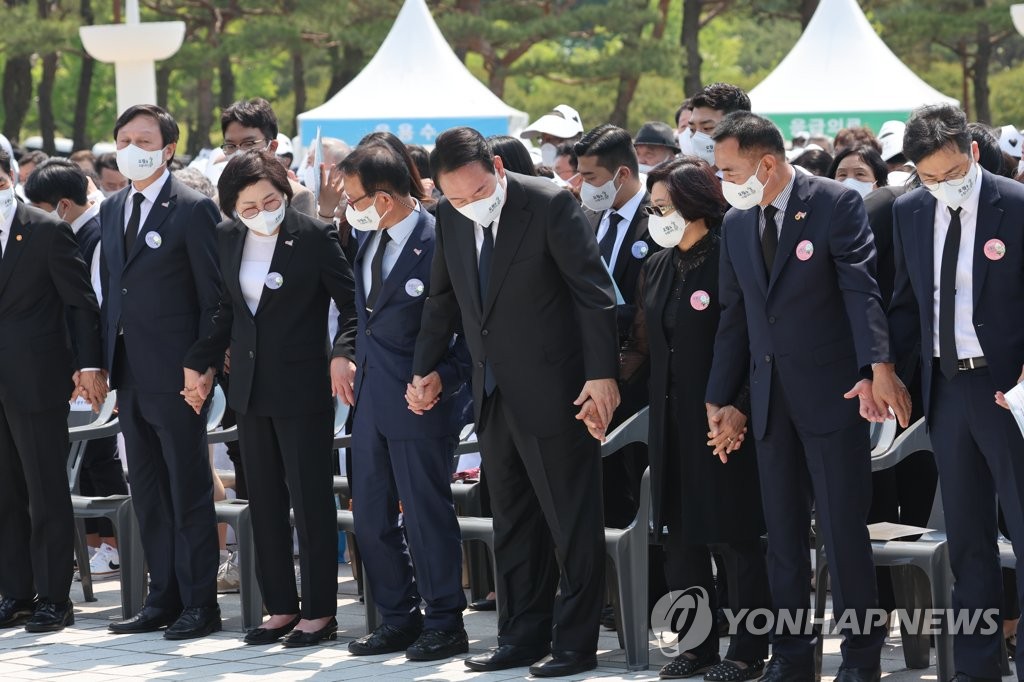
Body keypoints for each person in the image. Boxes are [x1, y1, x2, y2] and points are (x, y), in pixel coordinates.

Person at [705, 111, 910, 682]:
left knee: (844, 536)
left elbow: (860, 290)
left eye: (729, 168)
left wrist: (879, 366)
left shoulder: (834, 203)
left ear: (766, 163)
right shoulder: (739, 222)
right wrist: (721, 398)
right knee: (785, 541)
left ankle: (860, 662)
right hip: (770, 404)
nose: (723, 179)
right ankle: (792, 660)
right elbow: (734, 318)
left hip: (832, 395)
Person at [409, 126, 619, 677]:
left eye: (477, 193)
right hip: (491, 390)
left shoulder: (547, 203)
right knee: (513, 520)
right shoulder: (450, 216)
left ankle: (574, 644)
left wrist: (601, 376)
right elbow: (442, 298)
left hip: (558, 391)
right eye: (454, 197)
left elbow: (593, 295)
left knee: (569, 520)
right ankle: (520, 636)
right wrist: (425, 369)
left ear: (497, 170)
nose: (468, 205)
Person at [183, 149, 356, 647]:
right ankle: (280, 606)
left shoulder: (314, 235)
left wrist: (343, 354)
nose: (263, 212)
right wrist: (202, 360)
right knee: (263, 501)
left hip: (304, 388)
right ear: (233, 209)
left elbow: (350, 307)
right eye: (250, 206)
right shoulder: (226, 238)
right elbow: (222, 310)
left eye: (270, 200)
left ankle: (320, 612)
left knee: (311, 500)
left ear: (285, 191)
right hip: (250, 390)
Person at [621, 157, 770, 680]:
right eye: (652, 207)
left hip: (723, 417)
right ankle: (696, 645)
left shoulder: (730, 252)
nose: (656, 215)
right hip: (669, 419)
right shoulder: (658, 264)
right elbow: (643, 343)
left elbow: (754, 340)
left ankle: (749, 651)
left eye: (664, 206)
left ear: (694, 203)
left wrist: (742, 407)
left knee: (733, 535)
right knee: (678, 535)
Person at [889, 103, 1024, 681]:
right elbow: (903, 300)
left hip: (1009, 388)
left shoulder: (1014, 206)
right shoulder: (911, 210)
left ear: (972, 151)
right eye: (929, 177)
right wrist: (883, 370)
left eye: (951, 173)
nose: (943, 186)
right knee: (967, 534)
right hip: (946, 386)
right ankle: (976, 667)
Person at [336, 141, 472, 661]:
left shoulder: (441, 239)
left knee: (424, 515)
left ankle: (444, 620)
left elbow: (468, 328)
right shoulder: (368, 240)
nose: (350, 207)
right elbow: (360, 315)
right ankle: (398, 616)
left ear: (386, 197)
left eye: (356, 198)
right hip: (370, 400)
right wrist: (342, 353)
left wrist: (445, 375)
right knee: (370, 516)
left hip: (420, 401)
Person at [100, 104, 224, 640]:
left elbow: (214, 299)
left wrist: (201, 363)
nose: (133, 148)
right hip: (128, 372)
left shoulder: (193, 208)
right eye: (124, 138)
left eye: (144, 139)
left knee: (187, 486)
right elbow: (111, 294)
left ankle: (200, 603)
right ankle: (162, 596)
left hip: (179, 375)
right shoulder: (112, 208)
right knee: (147, 488)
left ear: (168, 148)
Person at [0, 148, 107, 633]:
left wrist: (88, 365)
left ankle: (51, 596)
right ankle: (15, 591)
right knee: (4, 491)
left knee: (44, 488)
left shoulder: (44, 229)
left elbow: (81, 304)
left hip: (36, 378)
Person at [23, 159, 129, 579]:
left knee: (99, 458)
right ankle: (96, 545)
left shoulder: (97, 234)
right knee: (88, 462)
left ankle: (117, 545)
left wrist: (92, 367)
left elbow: (97, 306)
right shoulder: (76, 230)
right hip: (78, 367)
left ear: (62, 204)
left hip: (94, 367)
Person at [220, 98, 316, 218]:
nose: (239, 152)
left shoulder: (297, 197)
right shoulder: (218, 201)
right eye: (231, 146)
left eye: (249, 144)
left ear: (272, 147)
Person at [687, 83, 751, 169]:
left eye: (707, 128)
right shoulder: (685, 179)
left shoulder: (763, 177)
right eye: (692, 130)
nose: (697, 138)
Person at [519, 104, 585, 167]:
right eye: (542, 139)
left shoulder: (587, 171)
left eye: (549, 139)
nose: (545, 145)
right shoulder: (536, 171)